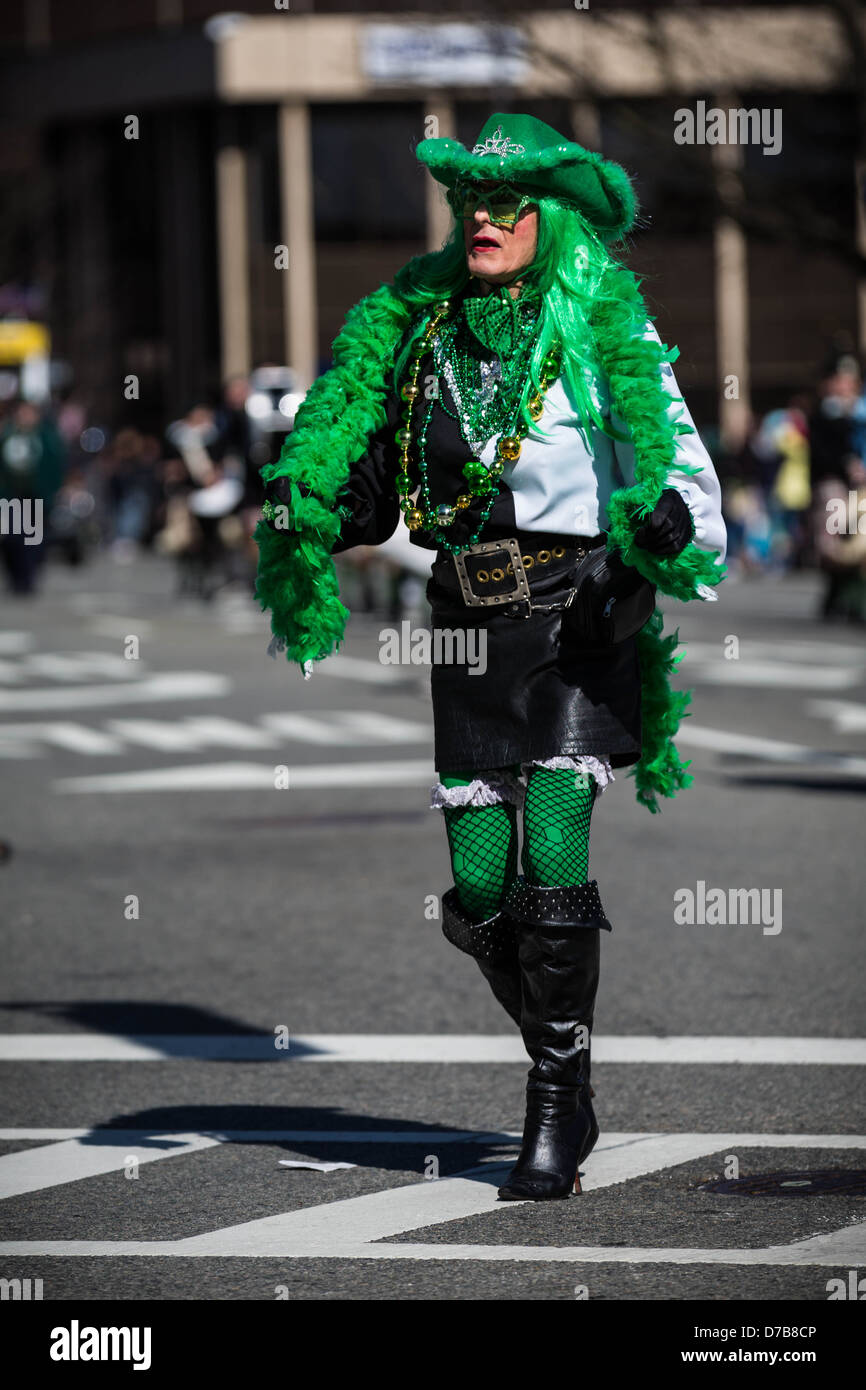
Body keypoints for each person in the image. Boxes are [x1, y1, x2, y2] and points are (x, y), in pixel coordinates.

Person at [256, 114, 727, 1201]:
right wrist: (313, 510)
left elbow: (684, 478)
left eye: (506, 200)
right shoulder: (416, 331)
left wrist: (660, 522)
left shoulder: (604, 324)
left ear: (551, 215)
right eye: (470, 197)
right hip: (465, 618)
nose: (482, 215)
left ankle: (551, 1099)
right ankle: (570, 1055)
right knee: (475, 891)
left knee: (552, 835)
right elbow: (374, 490)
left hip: (575, 613)